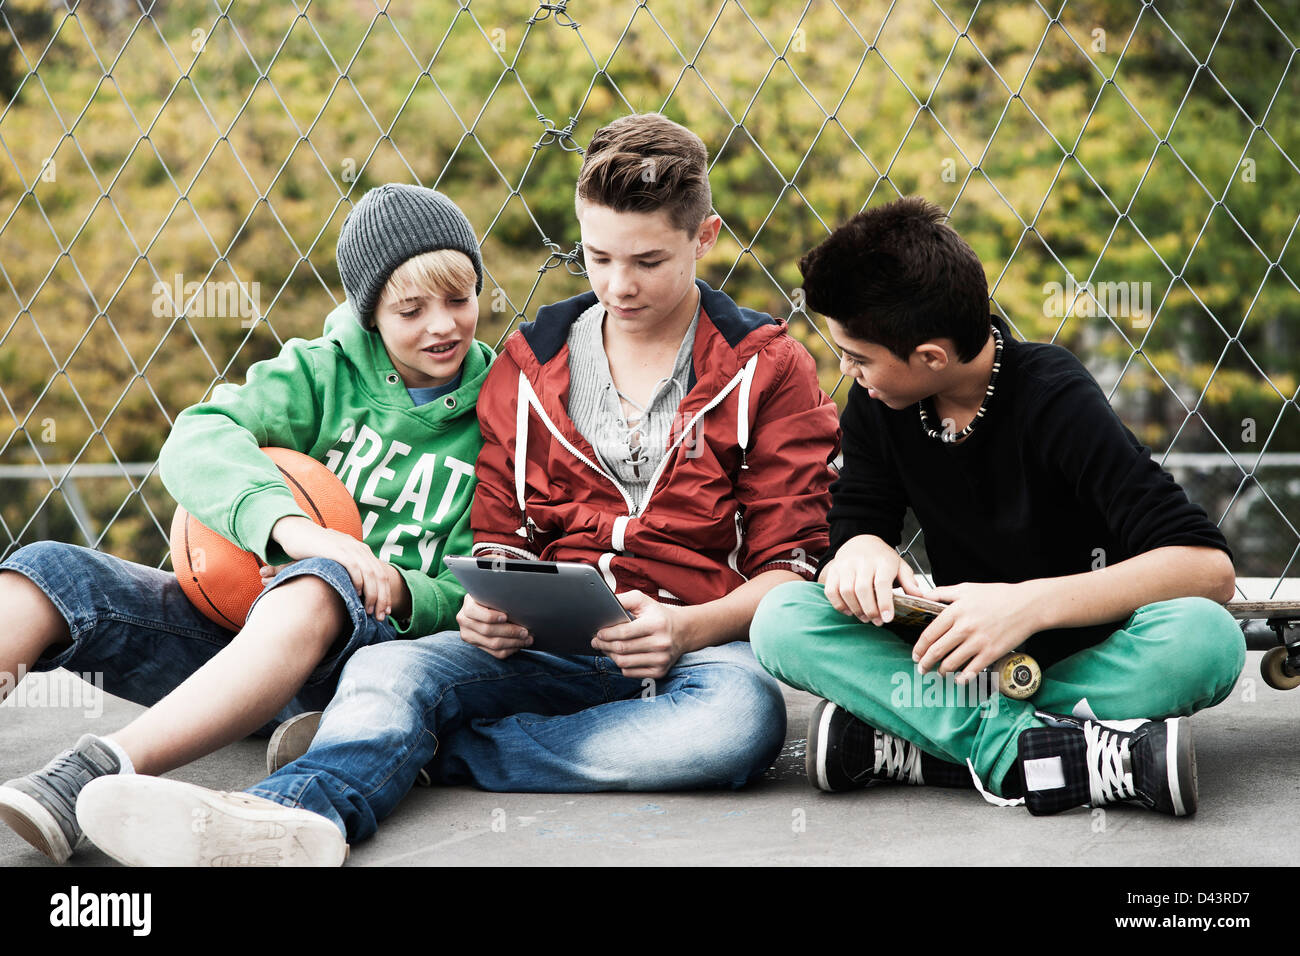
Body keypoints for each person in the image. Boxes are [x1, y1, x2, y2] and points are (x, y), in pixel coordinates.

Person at [74, 112, 842, 866]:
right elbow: (498, 537)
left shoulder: (768, 368)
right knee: (385, 668)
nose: (619, 285)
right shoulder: (530, 363)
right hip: (545, 651)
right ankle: (287, 818)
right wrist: (491, 608)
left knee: (742, 724)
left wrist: (687, 628)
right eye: (598, 257)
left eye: (648, 262)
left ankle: (431, 751)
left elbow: (790, 571)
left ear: (704, 238)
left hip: (696, 651)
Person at [0, 184, 493, 865]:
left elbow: (476, 585)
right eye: (411, 308)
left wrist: (393, 584)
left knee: (321, 584)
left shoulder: (499, 414)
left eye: (460, 300)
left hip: (370, 660)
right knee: (49, 570)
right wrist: (295, 529)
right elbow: (198, 438)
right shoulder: (320, 372)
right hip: (238, 646)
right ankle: (305, 724)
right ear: (371, 311)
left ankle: (96, 769)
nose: (442, 325)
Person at [749, 196, 1243, 817]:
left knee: (1207, 640)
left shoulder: (1052, 395)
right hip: (955, 661)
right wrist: (859, 548)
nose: (847, 370)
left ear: (931, 357)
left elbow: (1207, 570)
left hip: (1083, 652)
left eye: (858, 357)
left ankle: (922, 747)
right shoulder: (881, 404)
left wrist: (1025, 605)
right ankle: (1053, 756)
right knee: (781, 617)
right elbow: (857, 516)